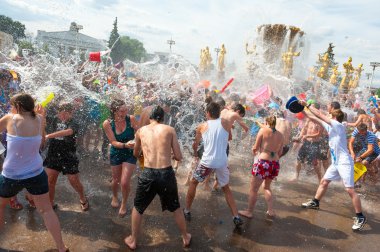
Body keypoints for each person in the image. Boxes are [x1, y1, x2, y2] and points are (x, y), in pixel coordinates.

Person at [0, 93, 67, 251]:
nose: (10, 108)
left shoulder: (10, 118)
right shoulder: (39, 119)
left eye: (12, 105)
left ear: (18, 107)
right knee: (46, 210)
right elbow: (42, 143)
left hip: (11, 174)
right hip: (35, 172)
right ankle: (62, 248)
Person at [124, 106, 191, 250]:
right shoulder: (169, 129)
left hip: (148, 174)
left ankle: (133, 240)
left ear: (150, 118)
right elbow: (179, 157)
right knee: (176, 208)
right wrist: (170, 154)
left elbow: (136, 154)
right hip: (166, 174)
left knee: (138, 208)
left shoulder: (141, 131)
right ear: (163, 118)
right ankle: (185, 236)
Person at [300, 103, 367, 231]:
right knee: (324, 182)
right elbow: (315, 118)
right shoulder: (331, 126)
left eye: (330, 115)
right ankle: (315, 202)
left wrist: (307, 104)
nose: (328, 115)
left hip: (344, 162)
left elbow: (319, 115)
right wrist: (303, 109)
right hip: (336, 163)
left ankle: (360, 216)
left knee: (350, 190)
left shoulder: (338, 125)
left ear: (335, 118)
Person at [184, 102, 244, 227]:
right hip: (222, 161)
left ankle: (187, 210)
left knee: (194, 183)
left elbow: (196, 144)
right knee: (226, 188)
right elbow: (229, 138)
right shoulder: (226, 123)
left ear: (208, 113)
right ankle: (236, 216)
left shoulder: (201, 126)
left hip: (207, 162)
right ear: (218, 112)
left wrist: (195, 152)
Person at [44, 103, 89, 211]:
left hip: (68, 155)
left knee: (73, 180)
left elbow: (69, 132)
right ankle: (50, 203)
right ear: (57, 112)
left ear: (71, 113)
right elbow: (40, 117)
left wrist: (49, 135)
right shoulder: (53, 119)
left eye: (66, 114)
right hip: (53, 153)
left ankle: (83, 198)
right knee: (50, 180)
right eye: (61, 113)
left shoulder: (74, 122)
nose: (63, 116)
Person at [239, 115, 284, 218]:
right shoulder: (281, 135)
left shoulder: (262, 131)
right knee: (267, 187)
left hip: (263, 162)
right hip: (274, 164)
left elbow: (255, 148)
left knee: (254, 189)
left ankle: (249, 212)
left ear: (266, 122)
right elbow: (280, 152)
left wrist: (254, 151)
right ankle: (270, 210)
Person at [103, 100, 138, 217]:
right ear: (114, 111)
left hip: (130, 153)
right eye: (122, 111)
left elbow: (139, 133)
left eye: (126, 110)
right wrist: (124, 145)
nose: (125, 113)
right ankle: (114, 196)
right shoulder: (107, 123)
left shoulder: (131, 118)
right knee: (116, 180)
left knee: (124, 182)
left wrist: (137, 139)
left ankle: (123, 203)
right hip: (116, 152)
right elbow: (113, 141)